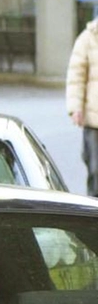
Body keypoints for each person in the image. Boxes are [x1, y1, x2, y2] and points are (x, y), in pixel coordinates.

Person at [65, 14, 98, 195]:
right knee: (95, 169)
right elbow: (76, 77)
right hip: (94, 121)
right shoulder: (87, 38)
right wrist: (75, 108)